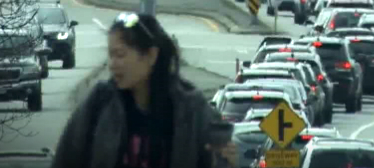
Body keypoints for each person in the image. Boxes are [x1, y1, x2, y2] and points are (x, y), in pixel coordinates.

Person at [51, 12, 237, 168]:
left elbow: (220, 156)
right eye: (110, 55)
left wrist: (225, 159)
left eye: (121, 55)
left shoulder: (190, 108)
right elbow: (66, 158)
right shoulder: (100, 104)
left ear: (151, 55)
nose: (112, 64)